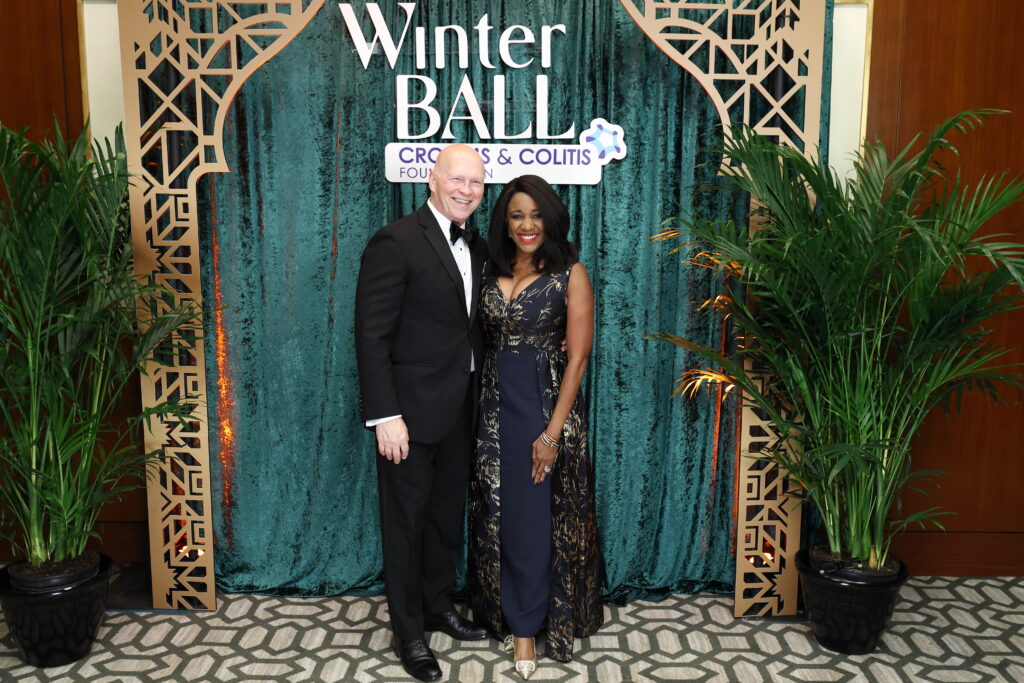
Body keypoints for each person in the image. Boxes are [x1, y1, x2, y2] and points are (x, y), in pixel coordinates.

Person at [355, 144, 490, 682]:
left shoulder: (479, 247)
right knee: (405, 525)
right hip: (406, 417)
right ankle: (408, 631)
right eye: (456, 179)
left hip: (461, 410)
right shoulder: (396, 241)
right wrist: (385, 415)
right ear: (431, 181)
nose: (466, 190)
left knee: (442, 519)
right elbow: (371, 335)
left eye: (476, 183)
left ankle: (438, 607)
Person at [468, 175, 604, 679]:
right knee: (495, 517)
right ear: (505, 220)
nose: (527, 225)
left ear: (550, 218)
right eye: (516, 215)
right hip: (490, 407)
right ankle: (502, 610)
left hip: (542, 407)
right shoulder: (489, 270)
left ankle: (526, 632)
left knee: (528, 522)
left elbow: (578, 359)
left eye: (535, 215)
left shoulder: (571, 274)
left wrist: (551, 435)